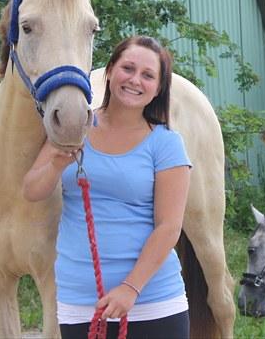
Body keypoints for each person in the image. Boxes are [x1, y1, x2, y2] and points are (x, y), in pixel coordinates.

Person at [23, 36, 192, 339]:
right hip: (81, 301)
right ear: (110, 71)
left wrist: (130, 289)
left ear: (158, 88)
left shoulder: (166, 143)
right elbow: (32, 191)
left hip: (152, 301)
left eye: (148, 75)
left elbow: (169, 227)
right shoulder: (74, 127)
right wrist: (57, 165)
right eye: (128, 68)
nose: (135, 80)